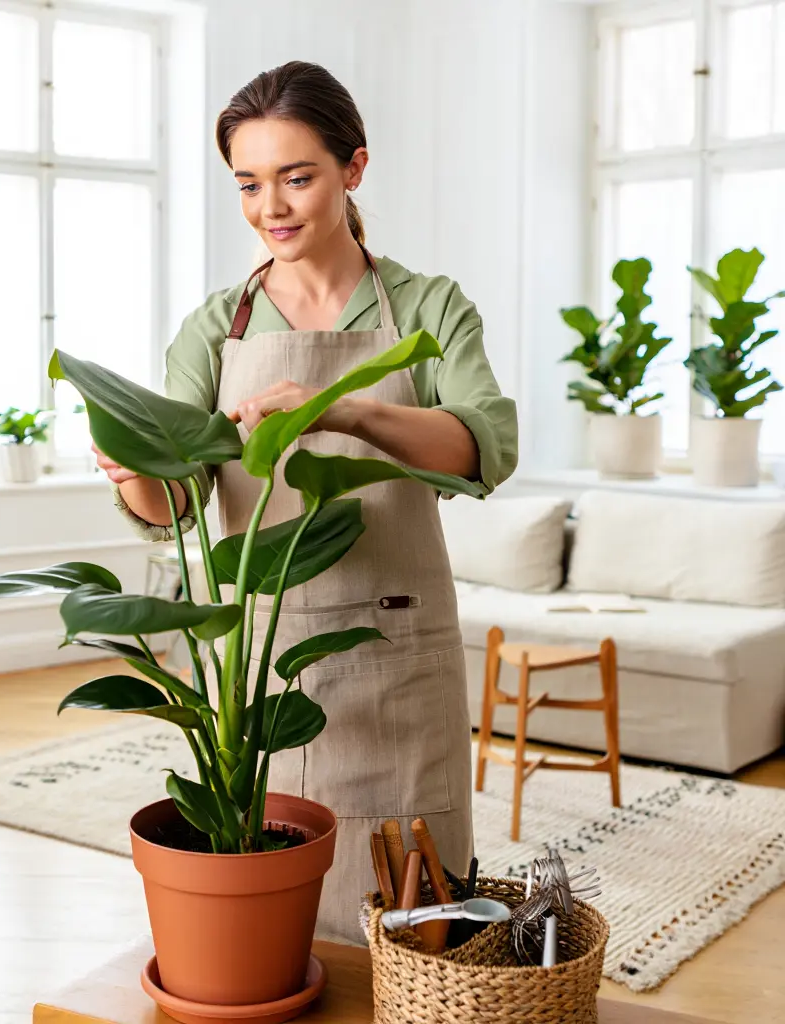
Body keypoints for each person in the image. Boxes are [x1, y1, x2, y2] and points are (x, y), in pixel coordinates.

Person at [96, 60, 518, 945]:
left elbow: (484, 446)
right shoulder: (220, 329)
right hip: (267, 663)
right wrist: (130, 467)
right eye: (249, 183)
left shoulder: (427, 309)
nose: (271, 207)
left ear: (353, 168)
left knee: (421, 930)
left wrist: (348, 407)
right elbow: (175, 504)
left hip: (402, 651)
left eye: (298, 176)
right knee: (283, 924)